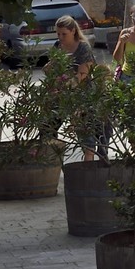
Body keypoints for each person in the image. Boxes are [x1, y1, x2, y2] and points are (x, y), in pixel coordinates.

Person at [53, 14, 101, 161]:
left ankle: (88, 166)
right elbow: (54, 70)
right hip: (62, 94)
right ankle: (52, 162)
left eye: (64, 34)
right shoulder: (57, 46)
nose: (60, 37)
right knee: (48, 126)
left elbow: (83, 75)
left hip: (82, 95)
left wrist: (66, 85)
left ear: (73, 31)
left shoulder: (82, 47)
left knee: (86, 136)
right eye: (58, 34)